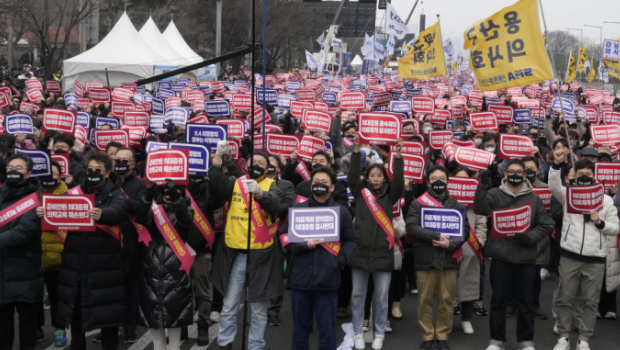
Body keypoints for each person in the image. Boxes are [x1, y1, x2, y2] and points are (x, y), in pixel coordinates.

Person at [474, 160, 554, 350]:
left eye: (520, 171)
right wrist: (482, 184)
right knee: (498, 301)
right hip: (501, 258)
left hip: (526, 258)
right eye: (512, 171)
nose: (516, 174)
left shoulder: (534, 199)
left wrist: (529, 237)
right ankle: (497, 340)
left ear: (525, 175)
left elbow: (546, 224)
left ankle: (526, 341)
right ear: (505, 174)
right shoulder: (494, 194)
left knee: (526, 303)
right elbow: (480, 209)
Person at [209, 151, 284, 350]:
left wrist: (259, 194)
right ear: (246, 165)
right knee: (229, 306)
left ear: (268, 168)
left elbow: (276, 204)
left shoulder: (273, 185)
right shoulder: (235, 182)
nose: (257, 165)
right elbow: (216, 188)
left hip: (262, 256)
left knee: (259, 310)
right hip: (237, 254)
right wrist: (217, 163)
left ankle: (255, 346)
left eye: (261, 163)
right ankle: (225, 343)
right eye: (253, 162)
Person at [55, 153, 128, 350]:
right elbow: (56, 209)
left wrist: (102, 214)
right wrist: (45, 212)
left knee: (108, 321)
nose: (93, 174)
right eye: (89, 170)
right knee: (76, 318)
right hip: (75, 267)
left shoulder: (117, 194)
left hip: (105, 269)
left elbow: (117, 212)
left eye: (98, 170)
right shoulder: (74, 193)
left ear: (107, 173)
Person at [549, 155, 619, 350]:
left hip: (595, 259)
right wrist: (556, 165)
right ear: (574, 176)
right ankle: (563, 337)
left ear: (595, 176)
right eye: (580, 174)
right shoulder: (567, 194)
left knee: (591, 301)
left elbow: (615, 228)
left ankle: (584, 339)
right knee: (565, 298)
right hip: (570, 255)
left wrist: (599, 222)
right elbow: (553, 186)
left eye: (588, 175)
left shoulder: (605, 200)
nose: (584, 177)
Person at [284, 165, 358, 350]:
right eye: (316, 182)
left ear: (332, 187)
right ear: (310, 185)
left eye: (324, 183)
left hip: (328, 281)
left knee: (327, 332)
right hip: (300, 281)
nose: (319, 185)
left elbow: (352, 240)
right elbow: (285, 238)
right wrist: (303, 245)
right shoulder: (298, 210)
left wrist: (339, 261)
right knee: (300, 332)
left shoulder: (341, 212)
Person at [348, 135, 404, 350]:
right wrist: (355, 151)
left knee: (381, 298)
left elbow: (398, 181)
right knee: (357, 296)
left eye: (380, 175)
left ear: (384, 177)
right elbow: (353, 176)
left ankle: (379, 332)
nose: (376, 178)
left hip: (383, 251)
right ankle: (357, 332)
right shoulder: (360, 193)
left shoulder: (391, 195)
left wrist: (398, 156)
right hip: (360, 251)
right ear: (368, 177)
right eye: (372, 175)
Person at [406, 166, 470, 350]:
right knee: (424, 299)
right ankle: (427, 335)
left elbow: (464, 231)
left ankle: (442, 334)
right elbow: (411, 227)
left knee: (447, 300)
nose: (439, 181)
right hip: (425, 259)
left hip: (448, 259)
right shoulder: (418, 204)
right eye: (434, 178)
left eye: (442, 178)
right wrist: (436, 236)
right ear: (428, 182)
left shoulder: (456, 205)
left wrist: (449, 245)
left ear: (448, 181)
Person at [134, 180, 194, 350]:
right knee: (154, 315)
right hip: (152, 264)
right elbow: (140, 217)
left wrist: (176, 198)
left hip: (176, 265)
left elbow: (185, 219)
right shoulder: (154, 209)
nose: (168, 193)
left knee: (175, 314)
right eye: (165, 191)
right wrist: (147, 195)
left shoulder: (187, 208)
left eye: (173, 191)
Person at [0, 153, 43, 350]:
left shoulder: (36, 198)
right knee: (2, 324)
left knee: (27, 321)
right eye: (10, 168)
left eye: (18, 168)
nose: (13, 171)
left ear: (28, 173)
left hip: (25, 268)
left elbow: (25, 231)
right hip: (2, 269)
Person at [113, 147, 146, 343]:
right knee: (113, 290)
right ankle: (111, 327)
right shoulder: (109, 181)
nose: (120, 164)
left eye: (124, 161)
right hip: (110, 244)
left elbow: (142, 208)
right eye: (117, 160)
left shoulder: (140, 184)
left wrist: (122, 200)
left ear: (133, 164)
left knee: (131, 290)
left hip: (133, 245)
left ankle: (130, 328)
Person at [450, 166, 487, 336]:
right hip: (449, 248)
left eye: (466, 181)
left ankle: (466, 320)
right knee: (447, 287)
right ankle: (447, 320)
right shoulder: (446, 200)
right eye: (459, 181)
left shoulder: (476, 202)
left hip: (470, 249)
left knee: (469, 285)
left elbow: (481, 224)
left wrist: (479, 241)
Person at [36, 161, 69, 346]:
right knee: (33, 297)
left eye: (53, 173)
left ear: (60, 175)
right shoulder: (31, 196)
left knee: (57, 297)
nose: (50, 177)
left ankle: (59, 328)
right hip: (34, 255)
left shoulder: (70, 195)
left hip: (58, 255)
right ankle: (37, 327)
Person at [265, 153, 295, 326]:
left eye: (271, 164)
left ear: (278, 168)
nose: (268, 166)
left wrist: (268, 204)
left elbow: (287, 207)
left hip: (276, 234)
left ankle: (273, 311)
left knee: (276, 275)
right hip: (256, 235)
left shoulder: (286, 185)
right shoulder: (253, 184)